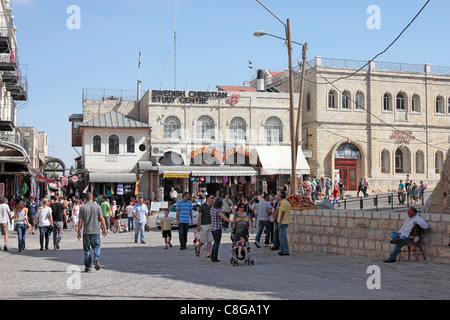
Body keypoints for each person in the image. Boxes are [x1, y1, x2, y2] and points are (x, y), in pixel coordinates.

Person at [77, 193, 107, 272]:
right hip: (95, 231)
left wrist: (78, 231)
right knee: (97, 246)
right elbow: (101, 218)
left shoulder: (82, 207)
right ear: (92, 198)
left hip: (86, 231)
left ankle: (88, 266)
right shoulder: (97, 207)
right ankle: (96, 258)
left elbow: (80, 220)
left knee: (86, 249)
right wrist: (105, 228)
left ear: (85, 199)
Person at [209, 197, 233, 262]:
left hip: (213, 228)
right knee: (217, 243)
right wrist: (231, 221)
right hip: (217, 228)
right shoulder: (218, 210)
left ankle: (212, 256)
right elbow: (224, 217)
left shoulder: (212, 209)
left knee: (215, 242)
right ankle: (214, 257)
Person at [277, 191, 291, 256]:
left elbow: (283, 212)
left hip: (283, 222)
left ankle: (285, 250)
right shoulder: (287, 202)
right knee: (281, 236)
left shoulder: (283, 203)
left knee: (283, 237)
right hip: (286, 221)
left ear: (280, 196)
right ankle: (282, 250)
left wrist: (280, 221)